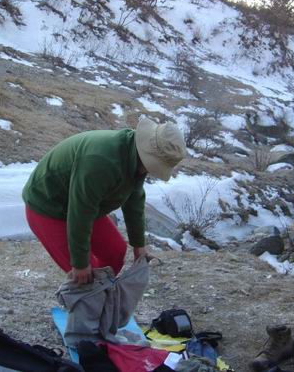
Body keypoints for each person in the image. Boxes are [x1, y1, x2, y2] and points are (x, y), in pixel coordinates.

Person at [22, 117, 187, 284]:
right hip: (48, 205)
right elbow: (80, 212)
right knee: (87, 279)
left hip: (84, 204)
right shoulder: (101, 161)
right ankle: (91, 296)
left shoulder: (136, 158)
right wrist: (80, 263)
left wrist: (139, 246)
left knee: (115, 252)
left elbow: (134, 200)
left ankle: (102, 293)